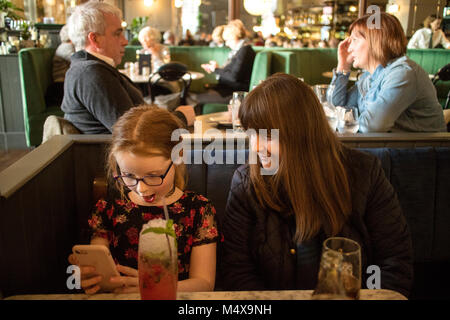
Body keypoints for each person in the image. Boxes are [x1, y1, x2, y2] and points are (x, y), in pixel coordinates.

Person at [220, 73, 413, 297]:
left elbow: (393, 263)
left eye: (269, 136)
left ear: (302, 134)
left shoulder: (364, 173)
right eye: (252, 134)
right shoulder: (247, 183)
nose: (257, 147)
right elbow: (236, 270)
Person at [68, 105, 219, 294]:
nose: (142, 188)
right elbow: (100, 272)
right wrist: (87, 277)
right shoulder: (107, 210)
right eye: (128, 175)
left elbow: (204, 283)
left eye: (154, 175)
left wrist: (152, 287)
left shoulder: (199, 210)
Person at [61, 2, 195, 134]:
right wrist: (179, 118)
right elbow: (133, 134)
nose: (125, 41)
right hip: (123, 154)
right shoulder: (90, 73)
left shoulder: (89, 68)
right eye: (117, 34)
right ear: (95, 39)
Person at [330, 12, 446, 132]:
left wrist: (346, 120)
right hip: (388, 146)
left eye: (354, 40)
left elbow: (371, 127)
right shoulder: (368, 77)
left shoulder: (403, 73)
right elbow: (336, 108)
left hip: (422, 148)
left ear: (375, 41)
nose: (349, 48)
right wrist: (343, 66)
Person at [197, 20, 256, 105]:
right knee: (192, 96)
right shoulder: (239, 51)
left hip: (235, 94)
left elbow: (233, 77)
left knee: (193, 98)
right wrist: (217, 69)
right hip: (228, 90)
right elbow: (232, 72)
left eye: (227, 40)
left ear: (234, 36)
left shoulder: (244, 51)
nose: (227, 44)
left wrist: (216, 70)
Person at [45, 25, 75, 106]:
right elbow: (77, 61)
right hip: (61, 85)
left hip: (64, 84)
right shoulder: (66, 47)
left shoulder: (65, 46)